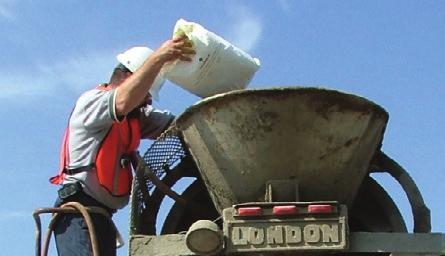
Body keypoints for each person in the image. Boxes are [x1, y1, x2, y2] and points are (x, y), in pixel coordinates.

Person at [49, 37, 195, 256]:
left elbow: (180, 126)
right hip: (78, 214)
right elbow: (122, 102)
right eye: (146, 93)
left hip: (102, 218)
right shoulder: (93, 103)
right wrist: (160, 57)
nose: (148, 102)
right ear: (129, 79)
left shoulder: (134, 118)